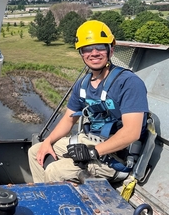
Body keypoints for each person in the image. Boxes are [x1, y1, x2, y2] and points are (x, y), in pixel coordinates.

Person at [28, 20, 149, 183]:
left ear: (110, 50)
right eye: (87, 49)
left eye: (100, 47)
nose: (94, 53)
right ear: (81, 53)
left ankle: (57, 204)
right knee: (36, 152)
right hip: (90, 143)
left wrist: (93, 152)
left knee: (55, 171)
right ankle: (44, 196)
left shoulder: (128, 82)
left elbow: (132, 132)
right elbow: (68, 119)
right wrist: (48, 142)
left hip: (114, 156)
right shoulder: (83, 84)